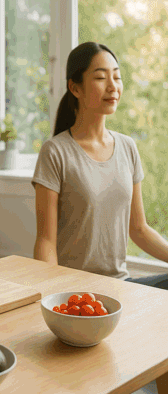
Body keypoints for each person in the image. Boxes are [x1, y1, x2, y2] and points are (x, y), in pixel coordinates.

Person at [33, 41, 168, 286]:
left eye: (117, 77)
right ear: (75, 88)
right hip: (75, 291)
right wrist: (51, 292)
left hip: (121, 286)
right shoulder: (55, 152)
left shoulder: (127, 147)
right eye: (101, 78)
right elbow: (46, 241)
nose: (113, 86)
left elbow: (139, 229)